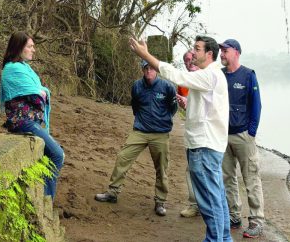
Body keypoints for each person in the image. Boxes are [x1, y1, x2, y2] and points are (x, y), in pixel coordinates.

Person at [130, 36, 231, 242]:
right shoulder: (210, 76)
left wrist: (146, 55)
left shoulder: (210, 75)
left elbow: (176, 75)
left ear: (209, 54)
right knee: (217, 196)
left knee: (209, 199)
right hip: (209, 145)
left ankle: (215, 239)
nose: (193, 52)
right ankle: (224, 238)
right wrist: (189, 104)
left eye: (197, 49)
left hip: (204, 147)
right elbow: (207, 107)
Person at [95, 60, 178, 216]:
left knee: (161, 167)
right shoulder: (137, 86)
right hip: (140, 130)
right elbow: (135, 106)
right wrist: (142, 120)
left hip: (160, 133)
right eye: (146, 68)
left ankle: (160, 201)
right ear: (142, 69)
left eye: (152, 68)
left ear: (156, 70)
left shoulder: (167, 87)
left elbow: (173, 108)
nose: (149, 71)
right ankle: (112, 192)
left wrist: (162, 120)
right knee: (122, 157)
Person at [0, 32, 65, 201]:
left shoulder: (23, 68)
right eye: (30, 46)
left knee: (52, 154)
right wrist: (40, 92)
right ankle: (46, 200)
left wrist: (41, 92)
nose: (33, 50)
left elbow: (39, 93)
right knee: (57, 155)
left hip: (31, 121)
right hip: (22, 121)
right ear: (19, 48)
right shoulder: (12, 69)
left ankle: (41, 197)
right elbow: (37, 96)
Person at [219, 39, 264, 238]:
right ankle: (234, 217)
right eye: (220, 51)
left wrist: (251, 132)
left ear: (236, 52)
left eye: (224, 50)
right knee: (228, 178)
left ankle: (256, 220)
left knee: (251, 178)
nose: (221, 54)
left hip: (243, 136)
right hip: (222, 136)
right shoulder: (219, 76)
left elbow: (257, 105)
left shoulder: (248, 75)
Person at [178, 50, 201, 218]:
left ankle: (215, 207)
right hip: (191, 132)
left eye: (192, 58)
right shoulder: (183, 83)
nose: (189, 62)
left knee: (212, 171)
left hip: (208, 135)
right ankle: (194, 204)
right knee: (191, 169)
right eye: (186, 60)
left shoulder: (207, 78)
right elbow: (185, 111)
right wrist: (185, 105)